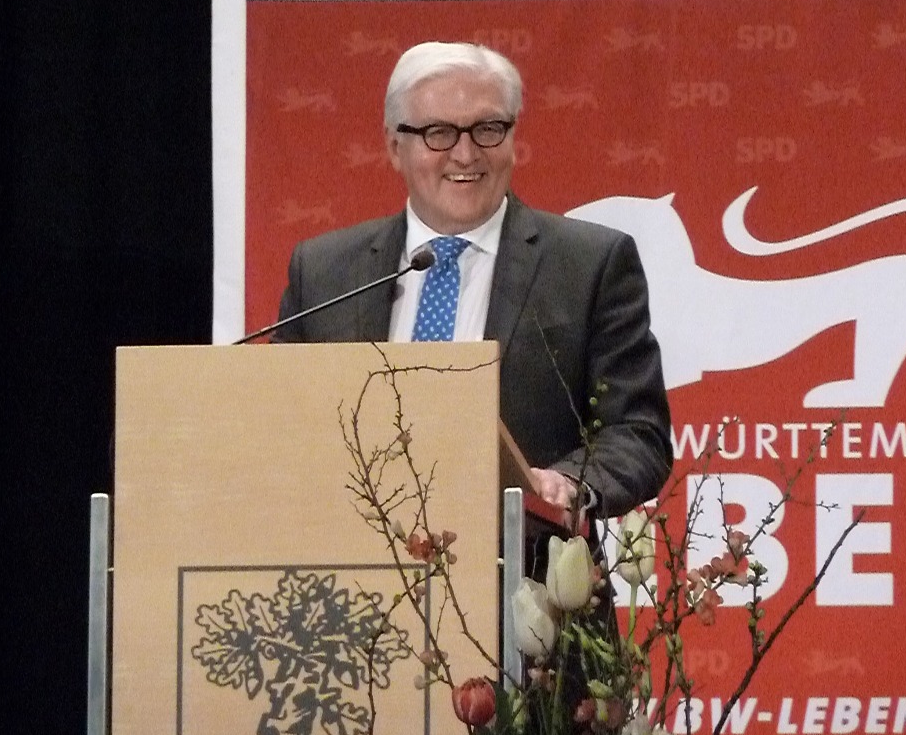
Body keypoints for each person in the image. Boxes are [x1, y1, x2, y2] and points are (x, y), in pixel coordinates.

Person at [276, 40, 670, 536]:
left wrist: (570, 483)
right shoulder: (325, 270)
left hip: (525, 583)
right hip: (352, 575)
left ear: (512, 137)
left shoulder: (590, 264)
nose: (465, 154)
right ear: (395, 146)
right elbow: (278, 421)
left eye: (487, 129)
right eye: (438, 132)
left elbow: (637, 432)